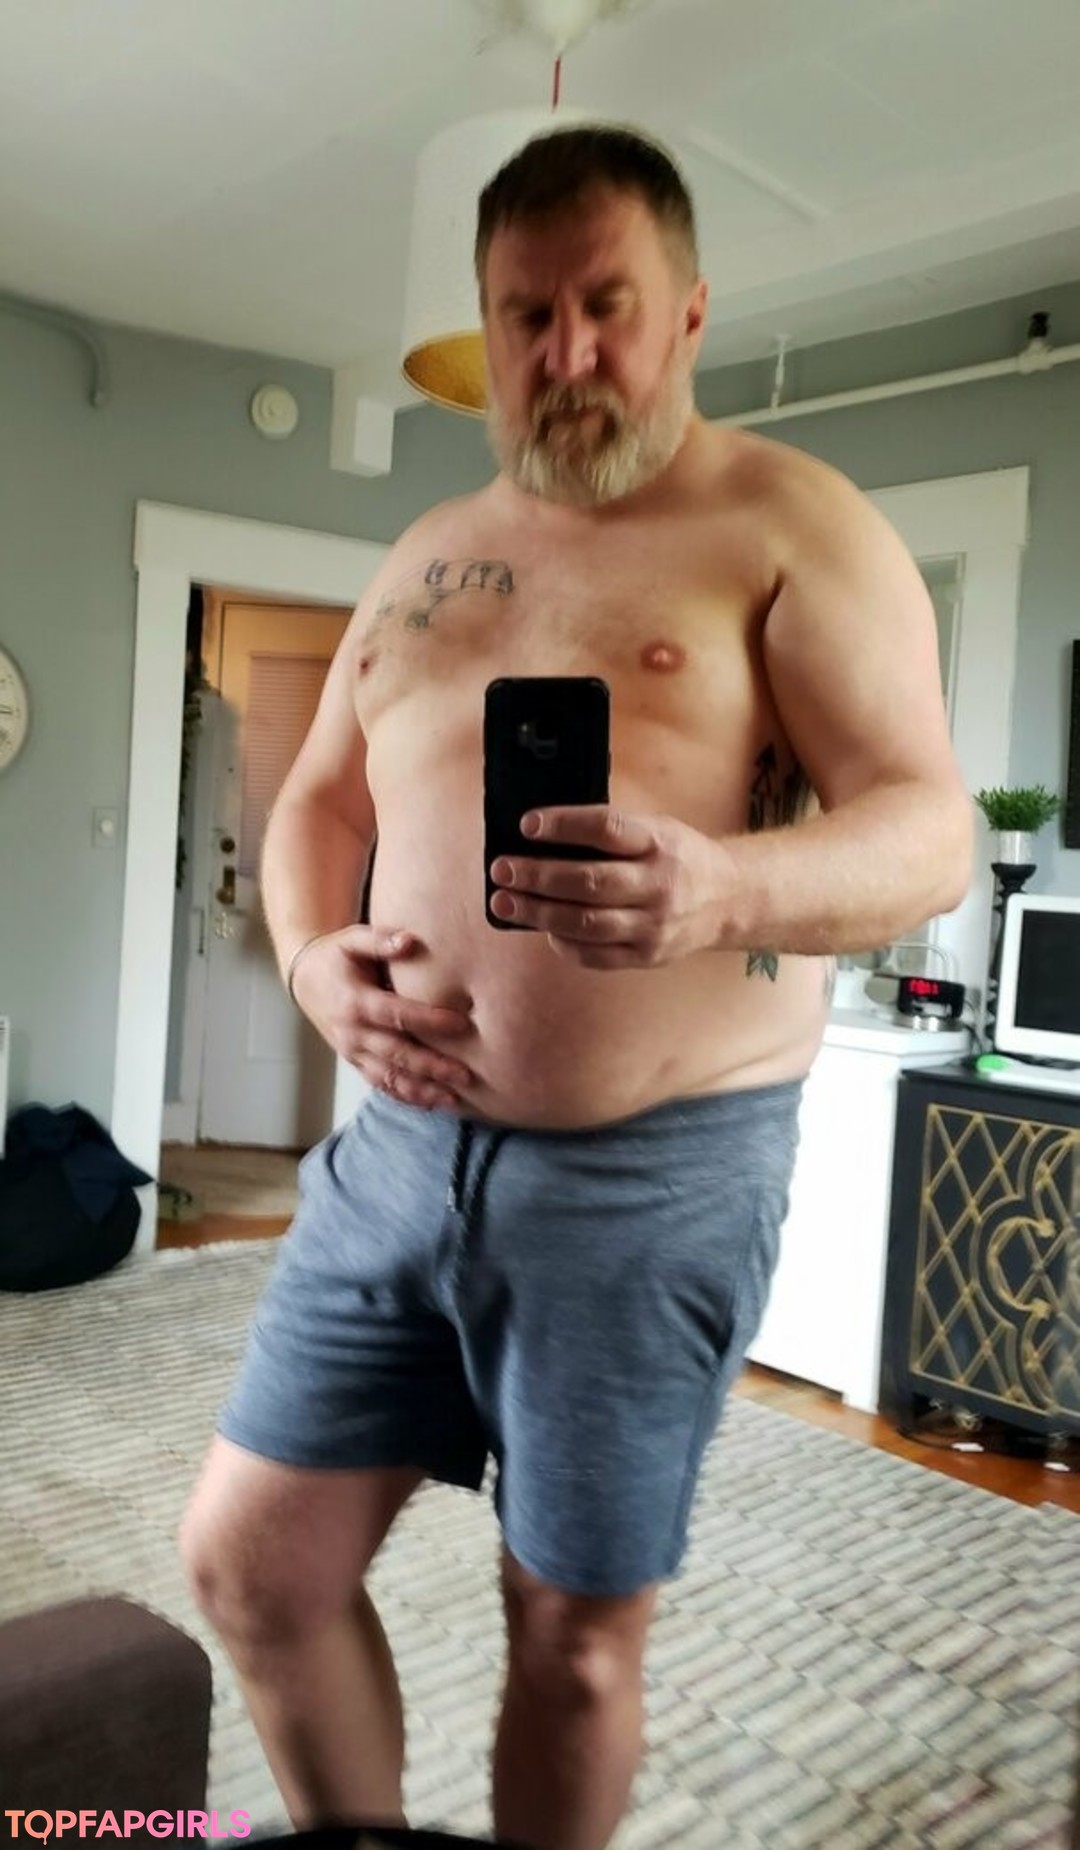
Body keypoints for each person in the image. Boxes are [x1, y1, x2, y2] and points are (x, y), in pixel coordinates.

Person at [180, 124, 972, 1850]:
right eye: (524, 316)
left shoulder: (791, 525)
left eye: (606, 305)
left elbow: (931, 832)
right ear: (487, 331)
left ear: (688, 311)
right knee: (251, 1566)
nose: (567, 352)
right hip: (395, 1151)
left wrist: (723, 886)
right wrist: (312, 961)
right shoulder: (428, 548)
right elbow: (315, 804)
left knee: (573, 1640)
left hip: (651, 1174)